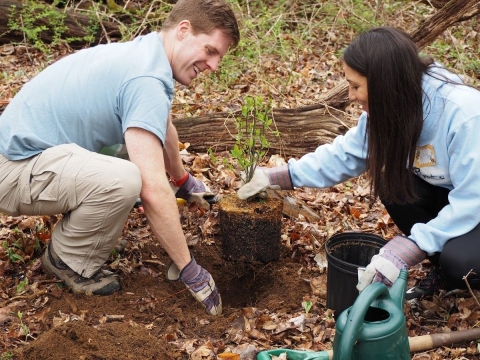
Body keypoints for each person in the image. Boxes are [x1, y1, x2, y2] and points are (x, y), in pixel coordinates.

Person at [0, 0, 240, 316]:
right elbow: (152, 187)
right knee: (130, 178)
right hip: (14, 168)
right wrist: (188, 268)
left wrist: (182, 180)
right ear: (184, 31)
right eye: (210, 51)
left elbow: (161, 124)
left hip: (29, 156)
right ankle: (67, 260)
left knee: (135, 157)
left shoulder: (146, 55)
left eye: (219, 57)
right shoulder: (146, 79)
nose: (213, 66)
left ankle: (89, 233)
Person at [238, 26, 480, 300]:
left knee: (461, 262)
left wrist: (410, 246)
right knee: (392, 184)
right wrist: (277, 177)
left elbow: (472, 200)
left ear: (384, 83)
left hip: (474, 203)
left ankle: (457, 272)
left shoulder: (463, 114)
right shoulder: (392, 107)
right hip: (451, 195)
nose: (350, 96)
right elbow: (346, 154)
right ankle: (443, 267)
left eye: (355, 86)